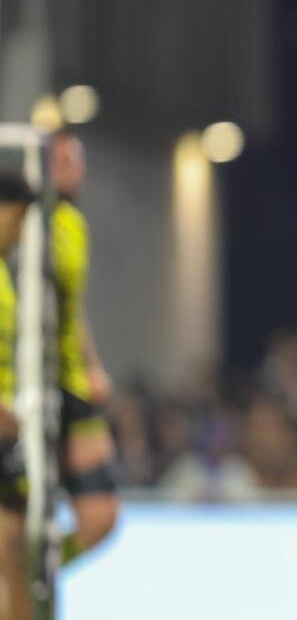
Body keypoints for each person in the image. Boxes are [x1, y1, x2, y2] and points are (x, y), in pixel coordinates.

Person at [48, 131, 120, 567]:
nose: (73, 168)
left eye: (77, 159)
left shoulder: (74, 224)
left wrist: (92, 364)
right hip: (30, 385)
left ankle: (40, 571)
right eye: (62, 159)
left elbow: (72, 309)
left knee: (101, 516)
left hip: (72, 383)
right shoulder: (22, 225)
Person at [0, 136, 39, 620]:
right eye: (17, 218)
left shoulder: (6, 274)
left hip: (6, 433)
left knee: (15, 551)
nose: (21, 231)